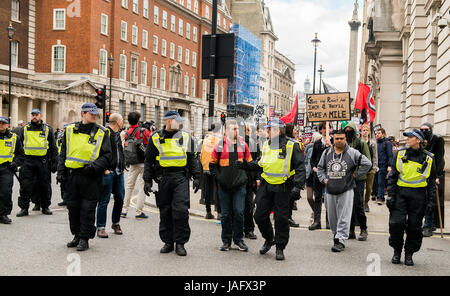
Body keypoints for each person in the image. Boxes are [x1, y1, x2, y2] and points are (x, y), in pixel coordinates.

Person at [143, 111, 201, 256]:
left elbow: (192, 158)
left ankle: (180, 243)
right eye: (177, 120)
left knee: (181, 211)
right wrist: (147, 180)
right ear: (169, 121)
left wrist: (197, 176)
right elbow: (149, 160)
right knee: (165, 211)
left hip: (181, 177)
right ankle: (168, 242)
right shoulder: (155, 137)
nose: (180, 123)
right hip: (163, 178)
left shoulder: (186, 137)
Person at [57, 103, 112, 251]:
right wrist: (61, 171)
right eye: (91, 113)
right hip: (72, 176)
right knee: (73, 208)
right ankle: (76, 235)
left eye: (95, 113)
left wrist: (94, 167)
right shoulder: (69, 130)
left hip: (91, 177)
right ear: (83, 114)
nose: (94, 115)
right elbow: (63, 152)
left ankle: (84, 238)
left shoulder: (102, 132)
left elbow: (107, 156)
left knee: (87, 209)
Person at [254, 119, 306, 260]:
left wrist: (297, 186)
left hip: (283, 187)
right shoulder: (266, 144)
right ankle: (269, 238)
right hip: (266, 186)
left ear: (277, 130)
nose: (267, 131)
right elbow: (262, 163)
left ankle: (280, 247)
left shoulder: (291, 145)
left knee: (281, 219)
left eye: (269, 129)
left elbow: (300, 167)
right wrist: (253, 172)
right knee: (259, 215)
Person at [317, 129, 371, 252]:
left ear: (345, 139)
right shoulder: (326, 153)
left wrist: (356, 175)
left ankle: (340, 240)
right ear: (333, 139)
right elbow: (320, 168)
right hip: (330, 189)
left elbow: (367, 164)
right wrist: (324, 179)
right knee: (332, 217)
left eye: (342, 138)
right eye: (337, 138)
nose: (339, 140)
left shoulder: (353, 153)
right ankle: (336, 235)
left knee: (344, 216)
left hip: (346, 189)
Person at [387, 129, 436, 266]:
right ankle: (397, 251)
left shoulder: (429, 158)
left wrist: (431, 200)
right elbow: (393, 176)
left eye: (410, 137)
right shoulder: (400, 154)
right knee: (396, 224)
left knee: (414, 227)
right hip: (400, 194)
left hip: (419, 196)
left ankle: (409, 253)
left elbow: (432, 182)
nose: (407, 139)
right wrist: (390, 195)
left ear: (418, 140)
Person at [210, 119, 254, 252]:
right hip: (224, 187)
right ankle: (226, 241)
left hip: (239, 186)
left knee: (239, 213)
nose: (236, 131)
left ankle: (239, 240)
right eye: (234, 129)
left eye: (237, 129)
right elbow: (212, 165)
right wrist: (219, 178)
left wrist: (249, 178)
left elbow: (250, 163)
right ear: (227, 130)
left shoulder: (243, 145)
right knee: (225, 215)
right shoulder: (219, 145)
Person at [16, 109, 58, 217]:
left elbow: (53, 147)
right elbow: (18, 145)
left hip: (42, 161)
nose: (34, 117)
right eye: (33, 115)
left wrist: (54, 162)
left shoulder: (47, 129)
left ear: (40, 116)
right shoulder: (24, 129)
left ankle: (45, 206)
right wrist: (18, 160)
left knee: (44, 184)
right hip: (28, 160)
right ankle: (24, 208)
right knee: (25, 185)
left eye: (36, 115)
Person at [96, 113, 126, 238]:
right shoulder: (105, 133)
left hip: (119, 171)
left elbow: (119, 152)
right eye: (122, 120)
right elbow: (99, 153)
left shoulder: (118, 134)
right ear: (118, 122)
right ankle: (101, 227)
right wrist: (104, 169)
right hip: (108, 172)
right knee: (104, 200)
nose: (123, 122)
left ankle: (116, 223)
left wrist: (123, 166)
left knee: (119, 198)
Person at [122, 112, 152, 219]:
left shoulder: (127, 132)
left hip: (133, 162)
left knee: (129, 186)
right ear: (138, 120)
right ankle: (139, 212)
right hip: (144, 163)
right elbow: (150, 145)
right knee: (142, 186)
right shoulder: (144, 131)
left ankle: (124, 210)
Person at [344, 122, 371, 241]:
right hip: (346, 179)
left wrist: (357, 173)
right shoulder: (343, 144)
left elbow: (367, 161)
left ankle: (363, 229)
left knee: (358, 204)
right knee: (348, 205)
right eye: (346, 130)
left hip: (358, 180)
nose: (348, 132)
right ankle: (350, 230)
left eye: (350, 130)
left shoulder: (362, 143)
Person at [420, 123, 445, 237]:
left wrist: (437, 176)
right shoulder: (419, 139)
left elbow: (439, 158)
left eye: (426, 129)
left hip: (433, 173)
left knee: (430, 200)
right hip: (421, 174)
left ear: (430, 130)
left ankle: (428, 226)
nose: (424, 131)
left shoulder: (437, 139)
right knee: (421, 200)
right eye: (422, 129)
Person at [0, 116, 24, 224]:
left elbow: (21, 155)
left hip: (6, 168)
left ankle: (3, 214)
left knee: (5, 192)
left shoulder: (14, 137)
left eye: (3, 123)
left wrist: (15, 163)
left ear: (7, 125)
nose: (1, 125)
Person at [309, 122, 332, 230]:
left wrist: (330, 146)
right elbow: (312, 158)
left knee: (329, 199)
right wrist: (314, 167)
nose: (325, 130)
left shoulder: (334, 142)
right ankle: (317, 221)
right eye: (323, 128)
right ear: (321, 130)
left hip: (330, 174)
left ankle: (329, 222)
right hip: (318, 173)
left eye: (327, 128)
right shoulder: (317, 143)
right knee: (317, 197)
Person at [199, 122, 222, 219]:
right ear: (220, 129)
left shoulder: (206, 139)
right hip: (216, 168)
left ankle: (208, 212)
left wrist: (204, 166)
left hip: (206, 168)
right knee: (219, 190)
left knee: (207, 190)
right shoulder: (220, 140)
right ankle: (219, 213)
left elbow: (201, 154)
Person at [243, 124, 260, 238]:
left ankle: (248, 228)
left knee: (248, 205)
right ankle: (247, 229)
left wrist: (257, 177)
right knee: (246, 205)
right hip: (241, 179)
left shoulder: (252, 143)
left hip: (249, 179)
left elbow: (258, 161)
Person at [285, 122, 302, 228]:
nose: (296, 131)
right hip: (287, 176)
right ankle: (286, 218)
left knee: (290, 200)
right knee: (287, 199)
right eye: (294, 129)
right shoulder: (289, 143)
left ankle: (288, 217)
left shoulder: (295, 143)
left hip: (293, 175)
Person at [360, 124, 378, 213]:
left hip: (371, 169)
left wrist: (374, 167)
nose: (365, 132)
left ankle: (366, 202)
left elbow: (375, 156)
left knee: (369, 188)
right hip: (361, 168)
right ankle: (360, 203)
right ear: (361, 132)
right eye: (363, 130)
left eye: (367, 130)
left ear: (369, 132)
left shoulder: (372, 143)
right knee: (360, 187)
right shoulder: (359, 142)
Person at [305, 133, 321, 224]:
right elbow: (306, 161)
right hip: (309, 175)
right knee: (309, 197)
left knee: (319, 198)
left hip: (319, 176)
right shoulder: (309, 148)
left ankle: (316, 216)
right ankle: (315, 211)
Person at [375, 128, 393, 205]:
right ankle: (377, 195)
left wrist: (389, 165)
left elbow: (390, 155)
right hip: (376, 165)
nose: (377, 134)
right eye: (376, 133)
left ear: (383, 134)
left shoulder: (387, 143)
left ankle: (380, 198)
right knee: (375, 182)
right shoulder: (375, 143)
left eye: (379, 133)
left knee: (381, 182)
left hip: (383, 165)